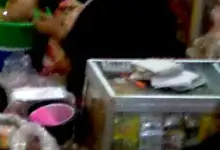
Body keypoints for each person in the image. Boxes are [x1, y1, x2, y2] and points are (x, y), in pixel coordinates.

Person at [36, 0, 181, 99]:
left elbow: (86, 53)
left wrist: (56, 31)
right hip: (153, 87)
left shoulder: (108, 10)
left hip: (118, 96)